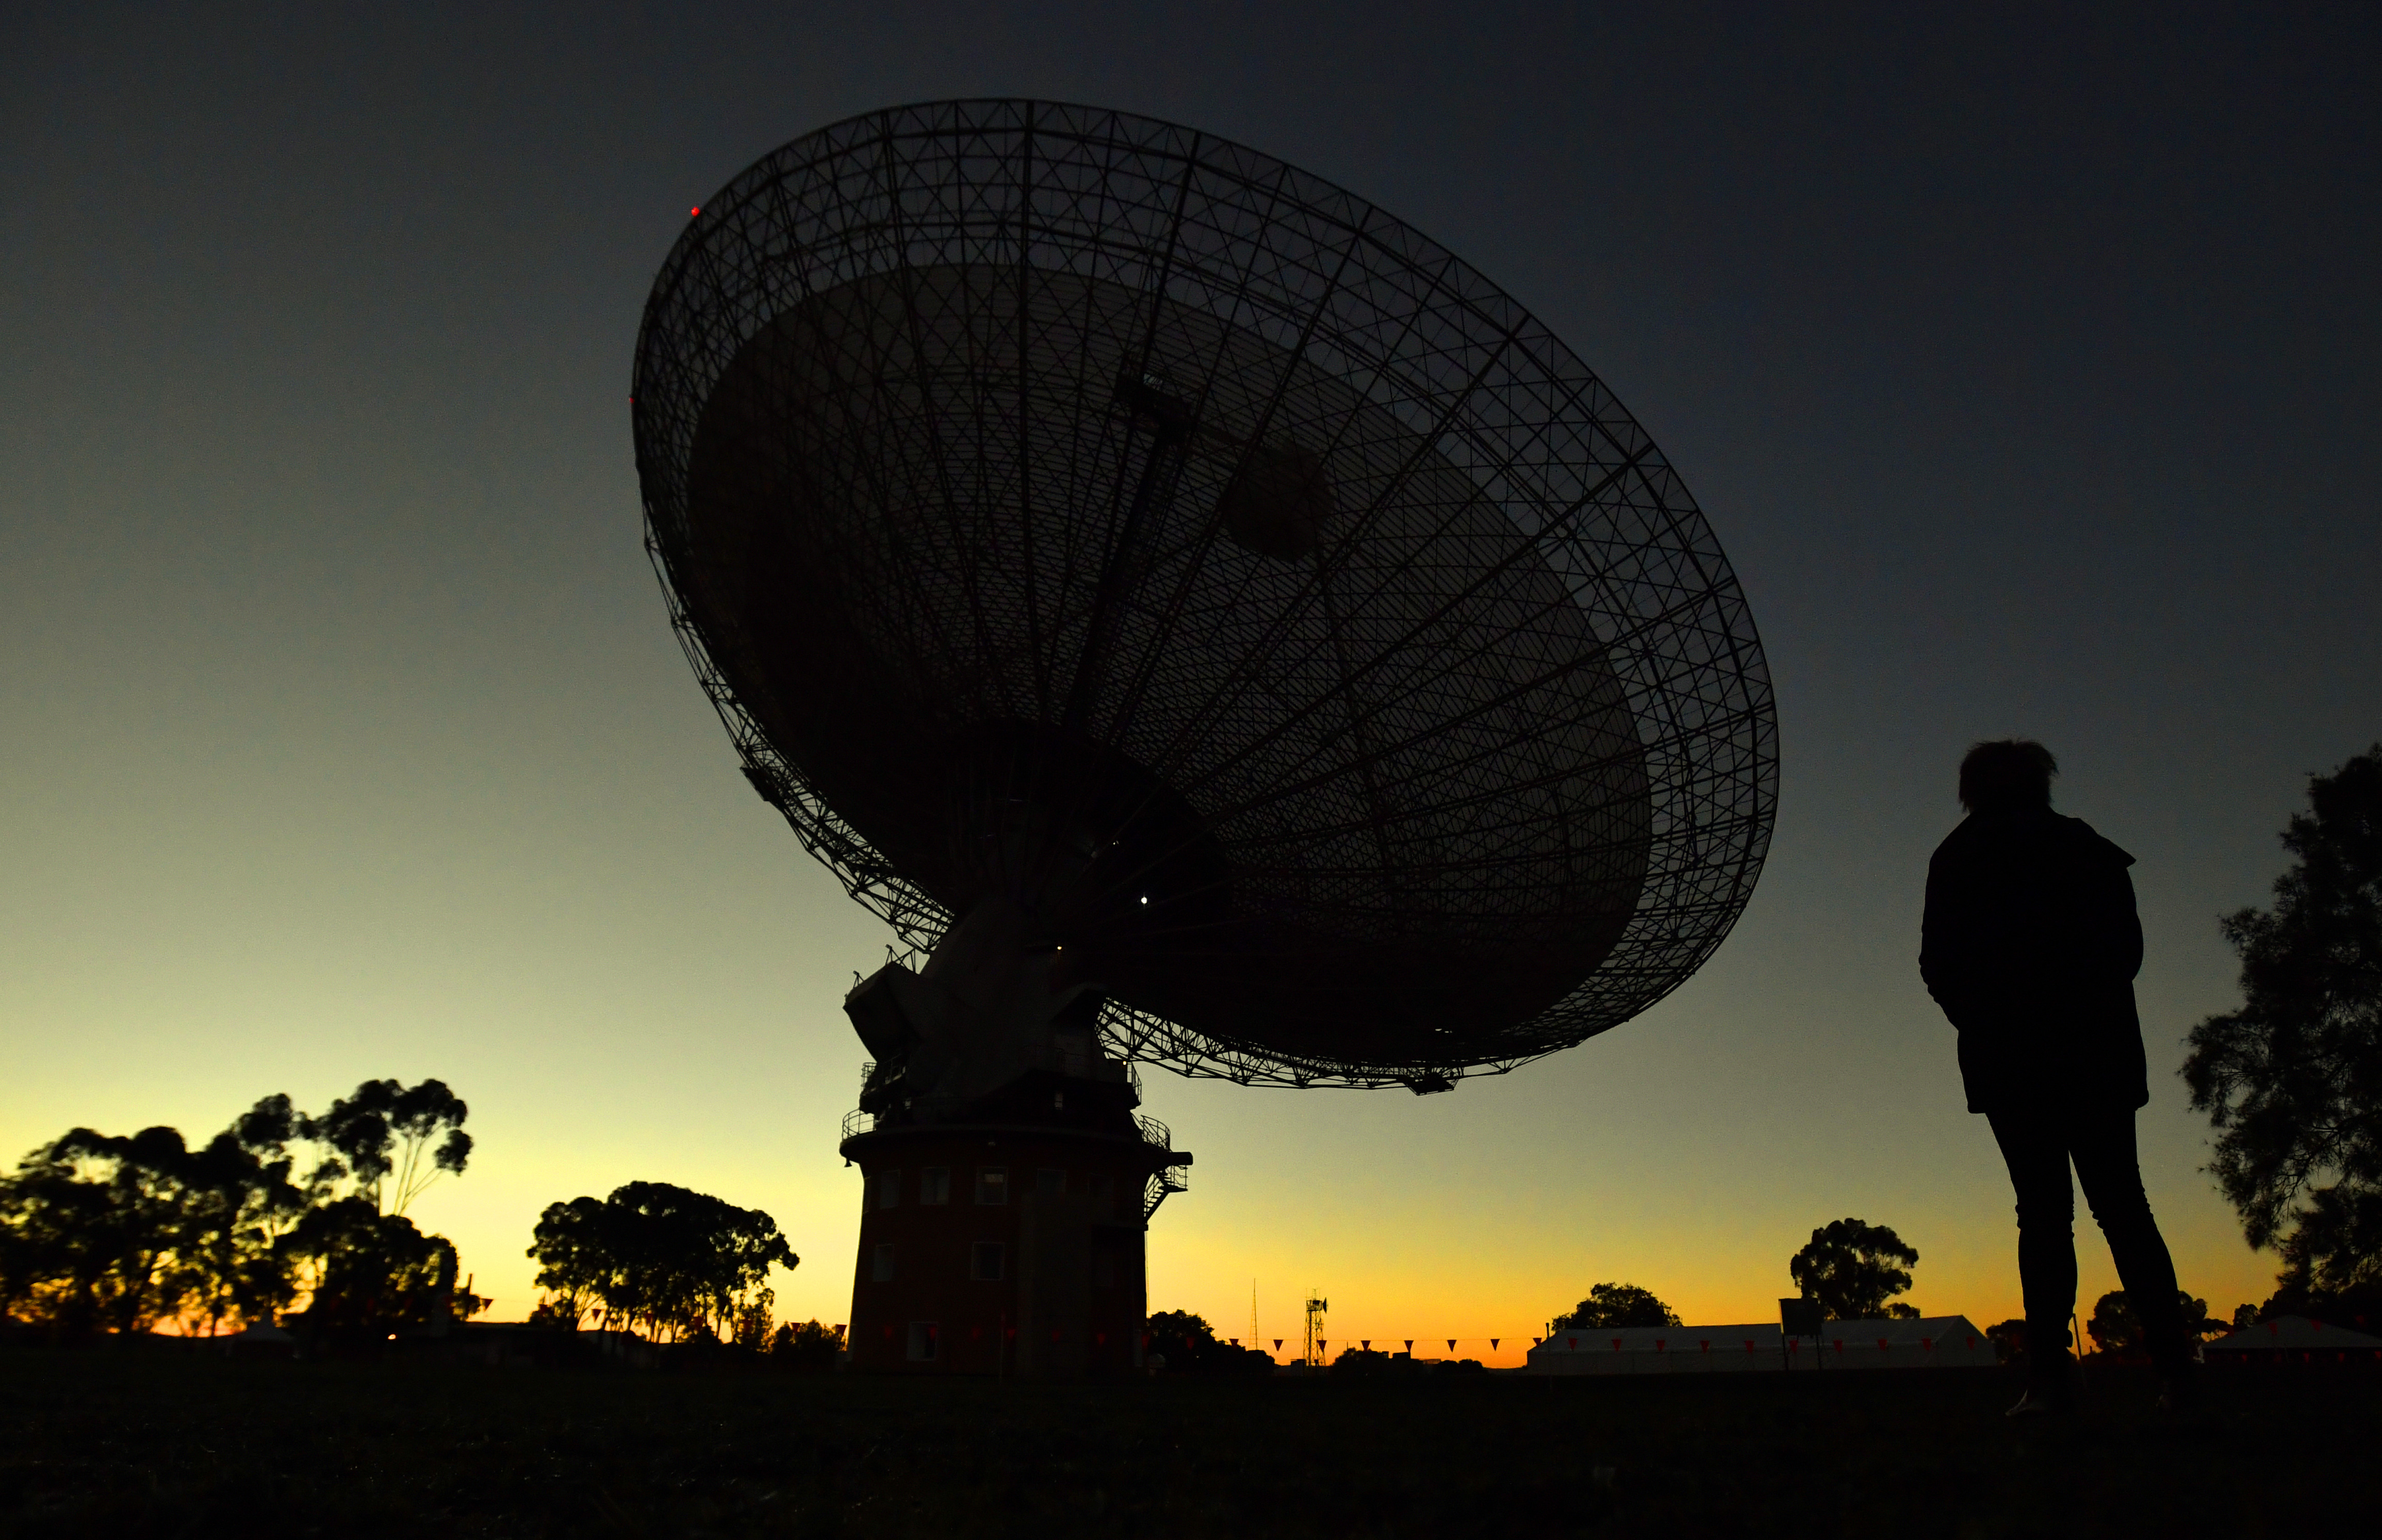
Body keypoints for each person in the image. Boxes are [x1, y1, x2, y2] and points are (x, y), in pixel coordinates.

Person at [1919, 740, 2195, 1415]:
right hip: (2093, 1053)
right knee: (2123, 1206)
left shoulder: (1958, 858)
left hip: (2015, 1061)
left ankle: (2049, 1380)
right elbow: (2125, 951)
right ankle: (2178, 1375)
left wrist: (1989, 1020)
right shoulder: (2085, 848)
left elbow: (1939, 965)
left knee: (2043, 1214)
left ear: (1971, 790)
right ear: (2042, 785)